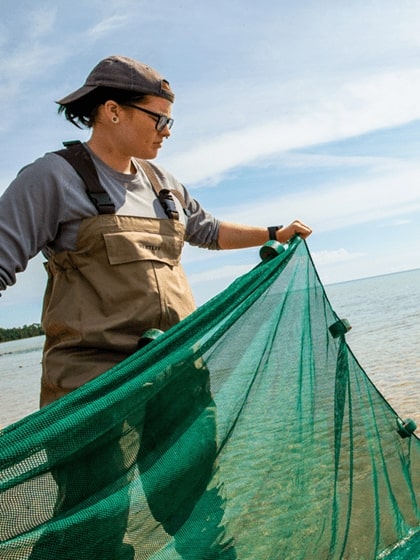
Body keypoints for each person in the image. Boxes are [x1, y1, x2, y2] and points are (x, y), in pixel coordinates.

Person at [0, 55, 312, 558]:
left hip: (175, 374)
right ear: (112, 111)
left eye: (171, 120)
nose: (167, 131)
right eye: (159, 118)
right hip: (90, 389)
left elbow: (207, 230)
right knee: (94, 519)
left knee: (197, 504)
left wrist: (274, 233)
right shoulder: (51, 178)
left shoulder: (163, 183)